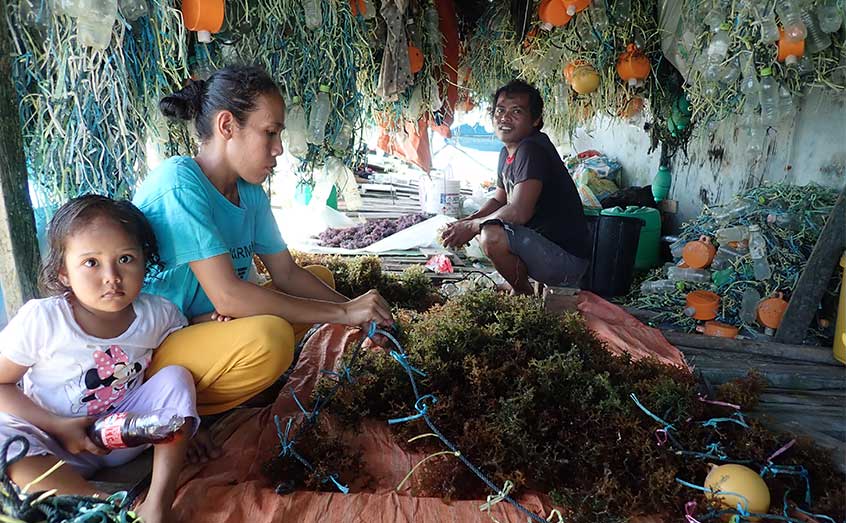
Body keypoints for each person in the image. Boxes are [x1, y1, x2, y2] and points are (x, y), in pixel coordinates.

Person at [133, 65, 394, 462]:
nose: (279, 149)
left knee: (318, 278)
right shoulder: (178, 184)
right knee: (271, 339)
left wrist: (357, 313)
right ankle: (175, 411)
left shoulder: (248, 191)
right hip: (156, 355)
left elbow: (286, 273)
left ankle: (223, 385)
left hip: (213, 326)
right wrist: (343, 311)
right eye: (270, 133)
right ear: (227, 126)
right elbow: (229, 296)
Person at [0, 195, 198, 523]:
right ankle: (107, 508)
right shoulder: (44, 319)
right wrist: (57, 427)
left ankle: (157, 503)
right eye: (91, 262)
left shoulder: (159, 314)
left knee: (177, 377)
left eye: (126, 259)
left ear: (145, 263)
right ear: (63, 271)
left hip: (127, 435)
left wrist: (187, 424)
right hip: (54, 444)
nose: (112, 276)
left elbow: (176, 379)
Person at [441, 79, 590, 294]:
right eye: (500, 110)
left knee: (492, 235)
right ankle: (519, 285)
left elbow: (518, 212)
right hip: (543, 251)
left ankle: (523, 296)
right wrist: (468, 221)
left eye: (516, 112)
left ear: (536, 119)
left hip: (566, 262)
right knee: (488, 227)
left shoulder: (532, 149)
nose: (504, 118)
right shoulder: (508, 151)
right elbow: (499, 200)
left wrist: (473, 227)